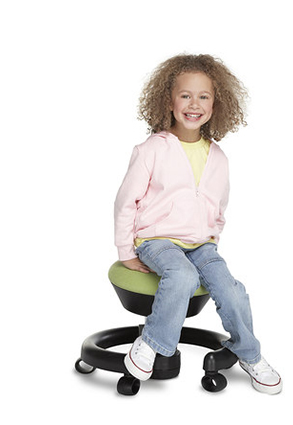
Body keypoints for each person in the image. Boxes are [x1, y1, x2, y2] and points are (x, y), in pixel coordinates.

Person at [114, 54, 282, 394]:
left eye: (204, 96)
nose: (194, 104)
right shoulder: (151, 149)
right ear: (169, 101)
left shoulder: (217, 156)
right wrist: (125, 251)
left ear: (216, 104)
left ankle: (249, 353)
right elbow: (125, 202)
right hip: (157, 241)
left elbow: (219, 206)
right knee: (183, 276)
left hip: (202, 245)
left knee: (232, 290)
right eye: (185, 95)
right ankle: (152, 342)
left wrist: (212, 239)